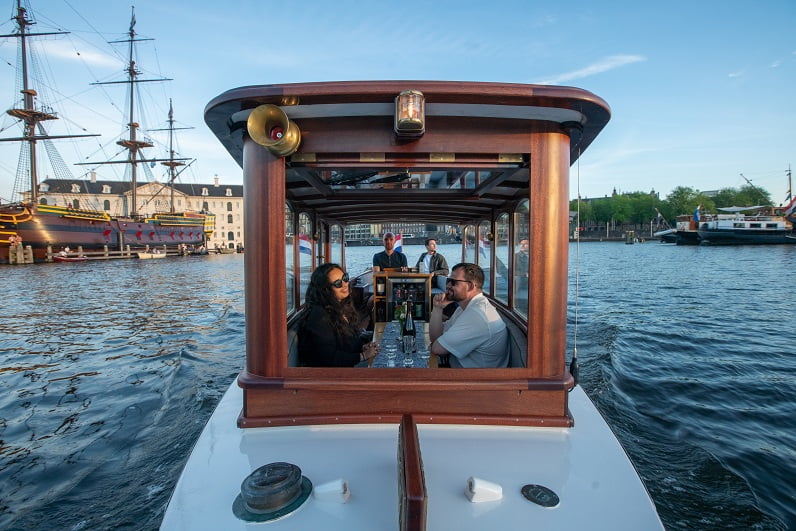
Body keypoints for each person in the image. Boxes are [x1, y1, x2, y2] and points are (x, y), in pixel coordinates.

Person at [428, 263, 508, 368]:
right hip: (462, 374)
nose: (447, 286)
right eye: (448, 281)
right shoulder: (465, 308)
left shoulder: (477, 315)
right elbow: (436, 338)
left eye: (453, 282)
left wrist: (435, 344)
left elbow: (437, 349)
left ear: (470, 286)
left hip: (475, 381)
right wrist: (438, 308)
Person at [299, 263, 380, 367]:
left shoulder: (340, 307)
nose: (345, 284)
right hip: (332, 376)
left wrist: (362, 347)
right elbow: (330, 359)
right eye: (338, 283)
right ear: (325, 289)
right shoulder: (319, 318)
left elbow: (347, 343)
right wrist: (363, 355)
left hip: (347, 364)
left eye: (345, 278)